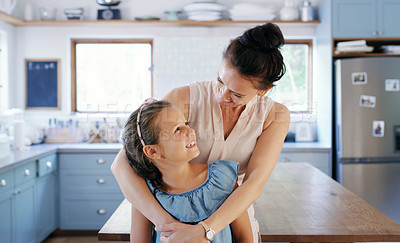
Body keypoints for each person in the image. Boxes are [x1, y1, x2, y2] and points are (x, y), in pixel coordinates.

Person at [111, 22, 290, 243]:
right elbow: (122, 163)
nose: (222, 95)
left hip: (230, 219)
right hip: (169, 222)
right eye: (220, 81)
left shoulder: (274, 116)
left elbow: (254, 184)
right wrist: (169, 227)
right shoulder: (185, 98)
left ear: (263, 91)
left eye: (236, 94)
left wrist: (204, 231)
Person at [122, 99, 253, 242]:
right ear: (153, 151)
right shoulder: (145, 194)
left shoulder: (222, 178)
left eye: (185, 124)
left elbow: (244, 238)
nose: (190, 131)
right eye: (177, 129)